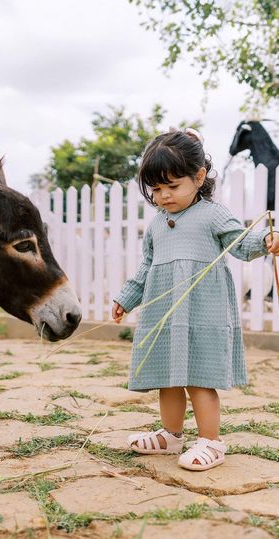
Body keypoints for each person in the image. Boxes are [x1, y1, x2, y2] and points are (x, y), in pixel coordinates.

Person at [112, 129, 279, 471]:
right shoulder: (158, 225)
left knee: (199, 378)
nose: (163, 196)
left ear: (199, 176)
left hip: (204, 312)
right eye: (156, 190)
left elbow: (242, 242)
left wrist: (267, 239)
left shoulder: (212, 214)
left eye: (172, 187)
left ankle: (211, 441)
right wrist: (127, 298)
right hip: (166, 313)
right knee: (168, 377)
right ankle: (171, 435)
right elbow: (146, 267)